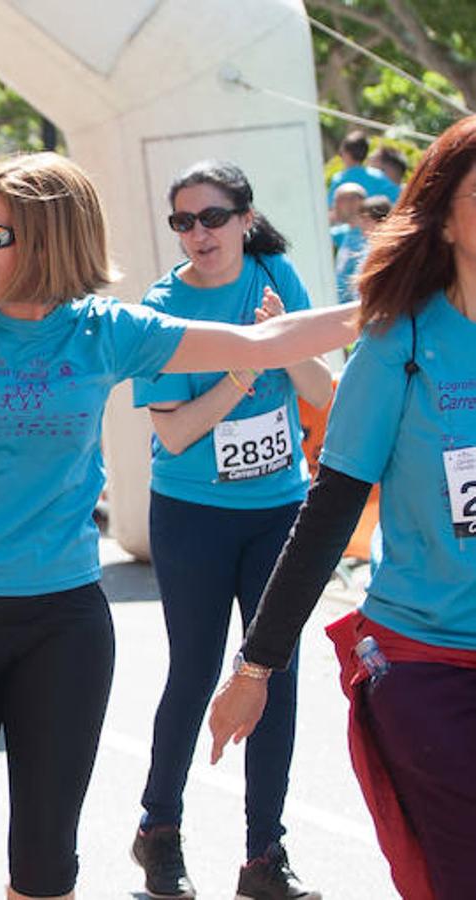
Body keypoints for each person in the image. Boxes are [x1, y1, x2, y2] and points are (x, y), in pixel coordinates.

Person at [0, 152, 358, 900]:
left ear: (47, 238)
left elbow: (262, 346)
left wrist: (400, 291)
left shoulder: (104, 331)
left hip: (63, 622)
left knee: (47, 865)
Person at [210, 114, 476, 900]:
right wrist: (255, 664)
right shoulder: (401, 340)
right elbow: (330, 509)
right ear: (446, 216)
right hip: (427, 660)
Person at [128, 160, 332, 900]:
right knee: (192, 673)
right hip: (192, 517)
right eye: (182, 221)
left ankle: (262, 857)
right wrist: (247, 366)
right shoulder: (162, 306)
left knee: (270, 675)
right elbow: (177, 433)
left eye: (211, 217)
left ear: (245, 218)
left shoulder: (275, 273)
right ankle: (158, 831)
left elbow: (321, 394)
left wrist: (282, 339)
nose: (197, 234)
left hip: (278, 511)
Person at [336, 196, 392, 305]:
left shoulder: (386, 250)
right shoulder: (368, 247)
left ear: (381, 220)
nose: (362, 224)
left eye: (366, 220)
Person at [329, 130, 400, 205]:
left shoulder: (339, 179)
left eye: (341, 153)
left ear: (347, 154)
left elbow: (330, 207)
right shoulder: (378, 176)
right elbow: (398, 199)